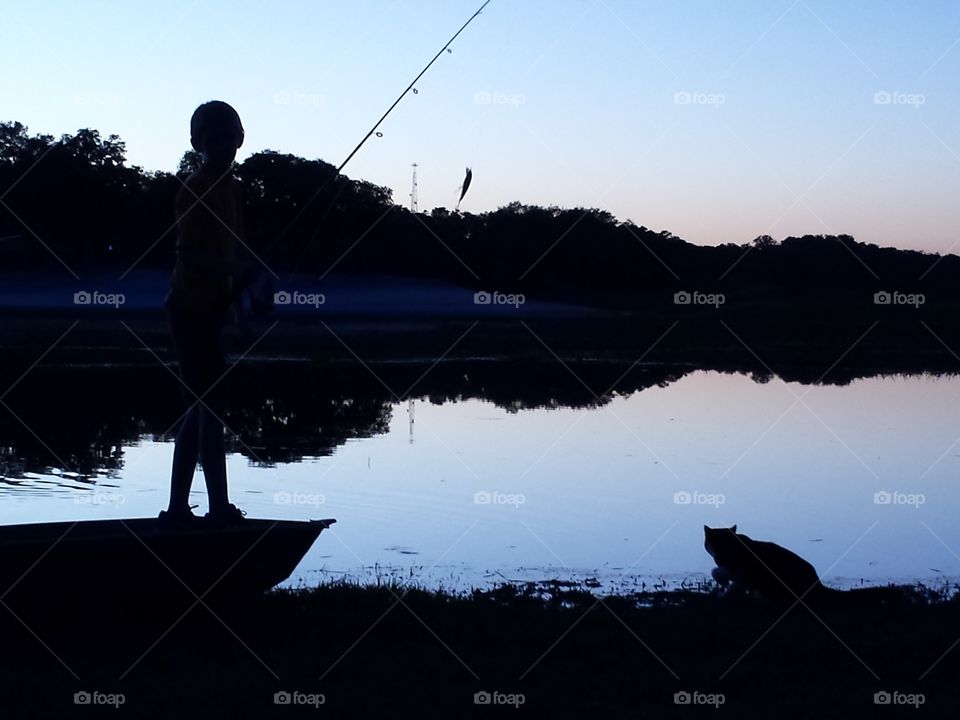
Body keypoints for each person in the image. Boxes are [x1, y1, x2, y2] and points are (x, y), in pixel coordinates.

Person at [159, 100, 252, 528]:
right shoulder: (195, 189)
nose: (219, 145)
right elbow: (189, 254)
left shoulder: (232, 189)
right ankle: (211, 509)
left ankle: (190, 509)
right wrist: (231, 270)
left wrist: (238, 292)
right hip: (190, 312)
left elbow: (230, 248)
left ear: (240, 139)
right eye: (209, 138)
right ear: (196, 143)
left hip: (213, 312)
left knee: (202, 410)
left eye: (226, 137)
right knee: (206, 409)